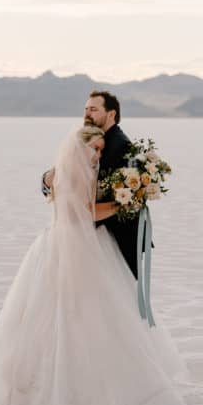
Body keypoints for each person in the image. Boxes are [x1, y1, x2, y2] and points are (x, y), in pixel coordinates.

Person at [0, 124, 196, 405]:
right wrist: (125, 203)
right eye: (96, 149)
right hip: (71, 246)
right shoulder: (70, 172)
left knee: (93, 319)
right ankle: (67, 395)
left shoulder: (80, 170)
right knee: (62, 318)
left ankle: (88, 387)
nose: (99, 154)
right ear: (81, 148)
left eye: (101, 149)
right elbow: (81, 213)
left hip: (84, 246)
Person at [41, 90, 152, 279]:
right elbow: (67, 180)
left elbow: (97, 198)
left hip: (117, 240)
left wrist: (124, 204)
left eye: (93, 109)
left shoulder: (119, 146)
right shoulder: (86, 141)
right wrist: (48, 181)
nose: (86, 114)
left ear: (111, 114)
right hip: (83, 236)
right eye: (85, 109)